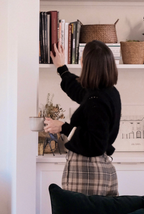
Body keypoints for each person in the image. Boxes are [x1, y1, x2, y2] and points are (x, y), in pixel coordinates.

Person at [44, 40, 121, 196]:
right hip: (100, 169)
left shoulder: (96, 100)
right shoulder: (108, 92)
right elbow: (79, 91)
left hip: (87, 171)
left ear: (85, 64)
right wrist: (62, 69)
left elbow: (95, 143)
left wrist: (63, 127)